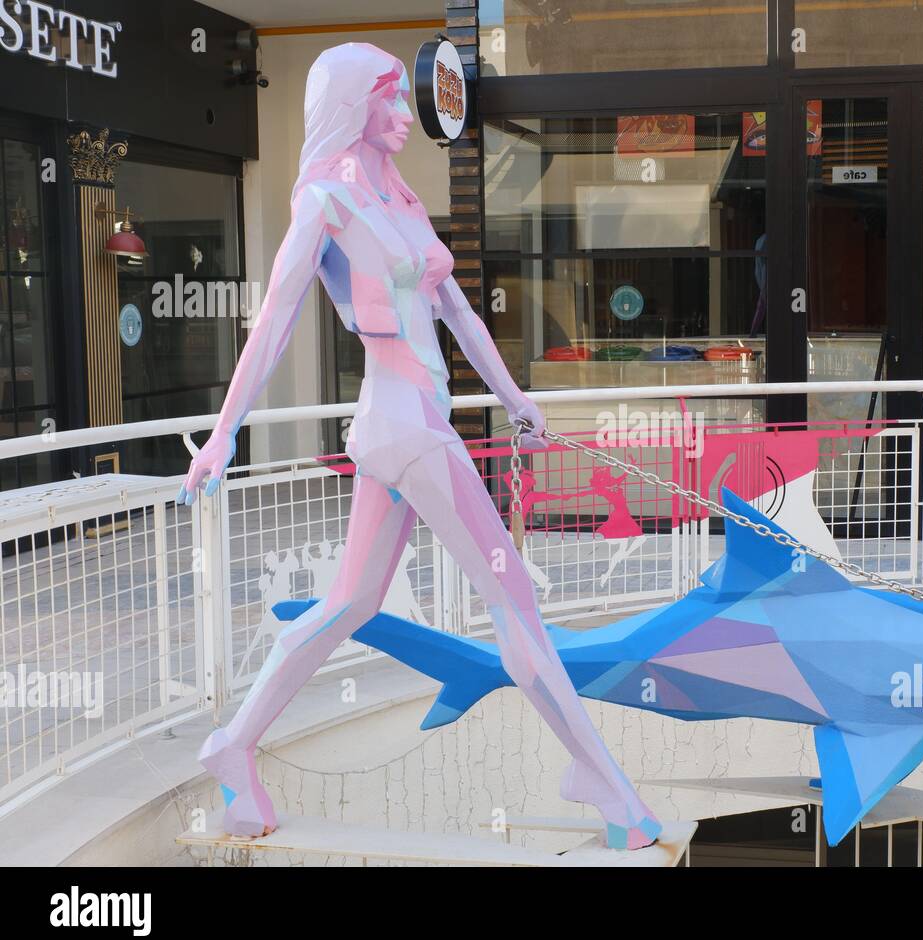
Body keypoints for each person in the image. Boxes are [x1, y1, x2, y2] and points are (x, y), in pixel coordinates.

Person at [179, 43, 661, 850]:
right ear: (352, 106)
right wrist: (223, 436)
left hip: (412, 425)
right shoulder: (326, 203)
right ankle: (604, 781)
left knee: (349, 604)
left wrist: (514, 398)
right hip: (405, 427)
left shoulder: (400, 199)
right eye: (390, 100)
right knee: (516, 599)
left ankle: (233, 745)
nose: (408, 114)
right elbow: (272, 324)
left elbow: (460, 315)